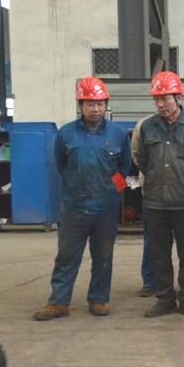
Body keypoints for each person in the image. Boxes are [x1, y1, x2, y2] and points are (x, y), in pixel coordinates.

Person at [33, 77, 131, 320]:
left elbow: (123, 168)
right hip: (74, 208)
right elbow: (61, 165)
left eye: (100, 103)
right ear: (80, 105)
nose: (95, 109)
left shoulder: (118, 134)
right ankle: (59, 303)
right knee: (67, 256)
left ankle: (98, 299)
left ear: (106, 104)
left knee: (103, 256)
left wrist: (112, 193)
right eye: (90, 104)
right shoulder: (66, 134)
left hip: (106, 208)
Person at [132, 71, 184, 319]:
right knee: (159, 254)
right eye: (157, 100)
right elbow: (142, 160)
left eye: (166, 99)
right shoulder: (147, 127)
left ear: (178, 98)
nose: (161, 104)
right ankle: (164, 298)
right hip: (156, 203)